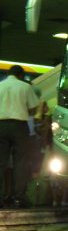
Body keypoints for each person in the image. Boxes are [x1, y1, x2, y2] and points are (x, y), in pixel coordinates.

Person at [0, 65, 40, 208]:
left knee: (1, 163)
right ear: (21, 76)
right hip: (19, 126)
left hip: (1, 126)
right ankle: (19, 198)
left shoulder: (0, 86)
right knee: (20, 163)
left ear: (9, 74)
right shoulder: (25, 87)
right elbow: (33, 108)